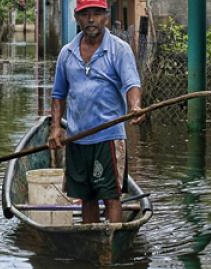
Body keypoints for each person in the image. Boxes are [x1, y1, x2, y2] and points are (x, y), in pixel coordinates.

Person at [48, 0, 145, 224]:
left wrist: (135, 106)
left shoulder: (119, 49)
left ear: (106, 17)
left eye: (97, 14)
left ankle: (111, 244)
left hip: (108, 137)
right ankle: (91, 242)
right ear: (76, 17)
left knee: (111, 196)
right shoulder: (67, 53)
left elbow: (132, 84)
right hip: (77, 137)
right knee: (86, 197)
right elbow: (58, 94)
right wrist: (55, 129)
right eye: (85, 14)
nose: (91, 19)